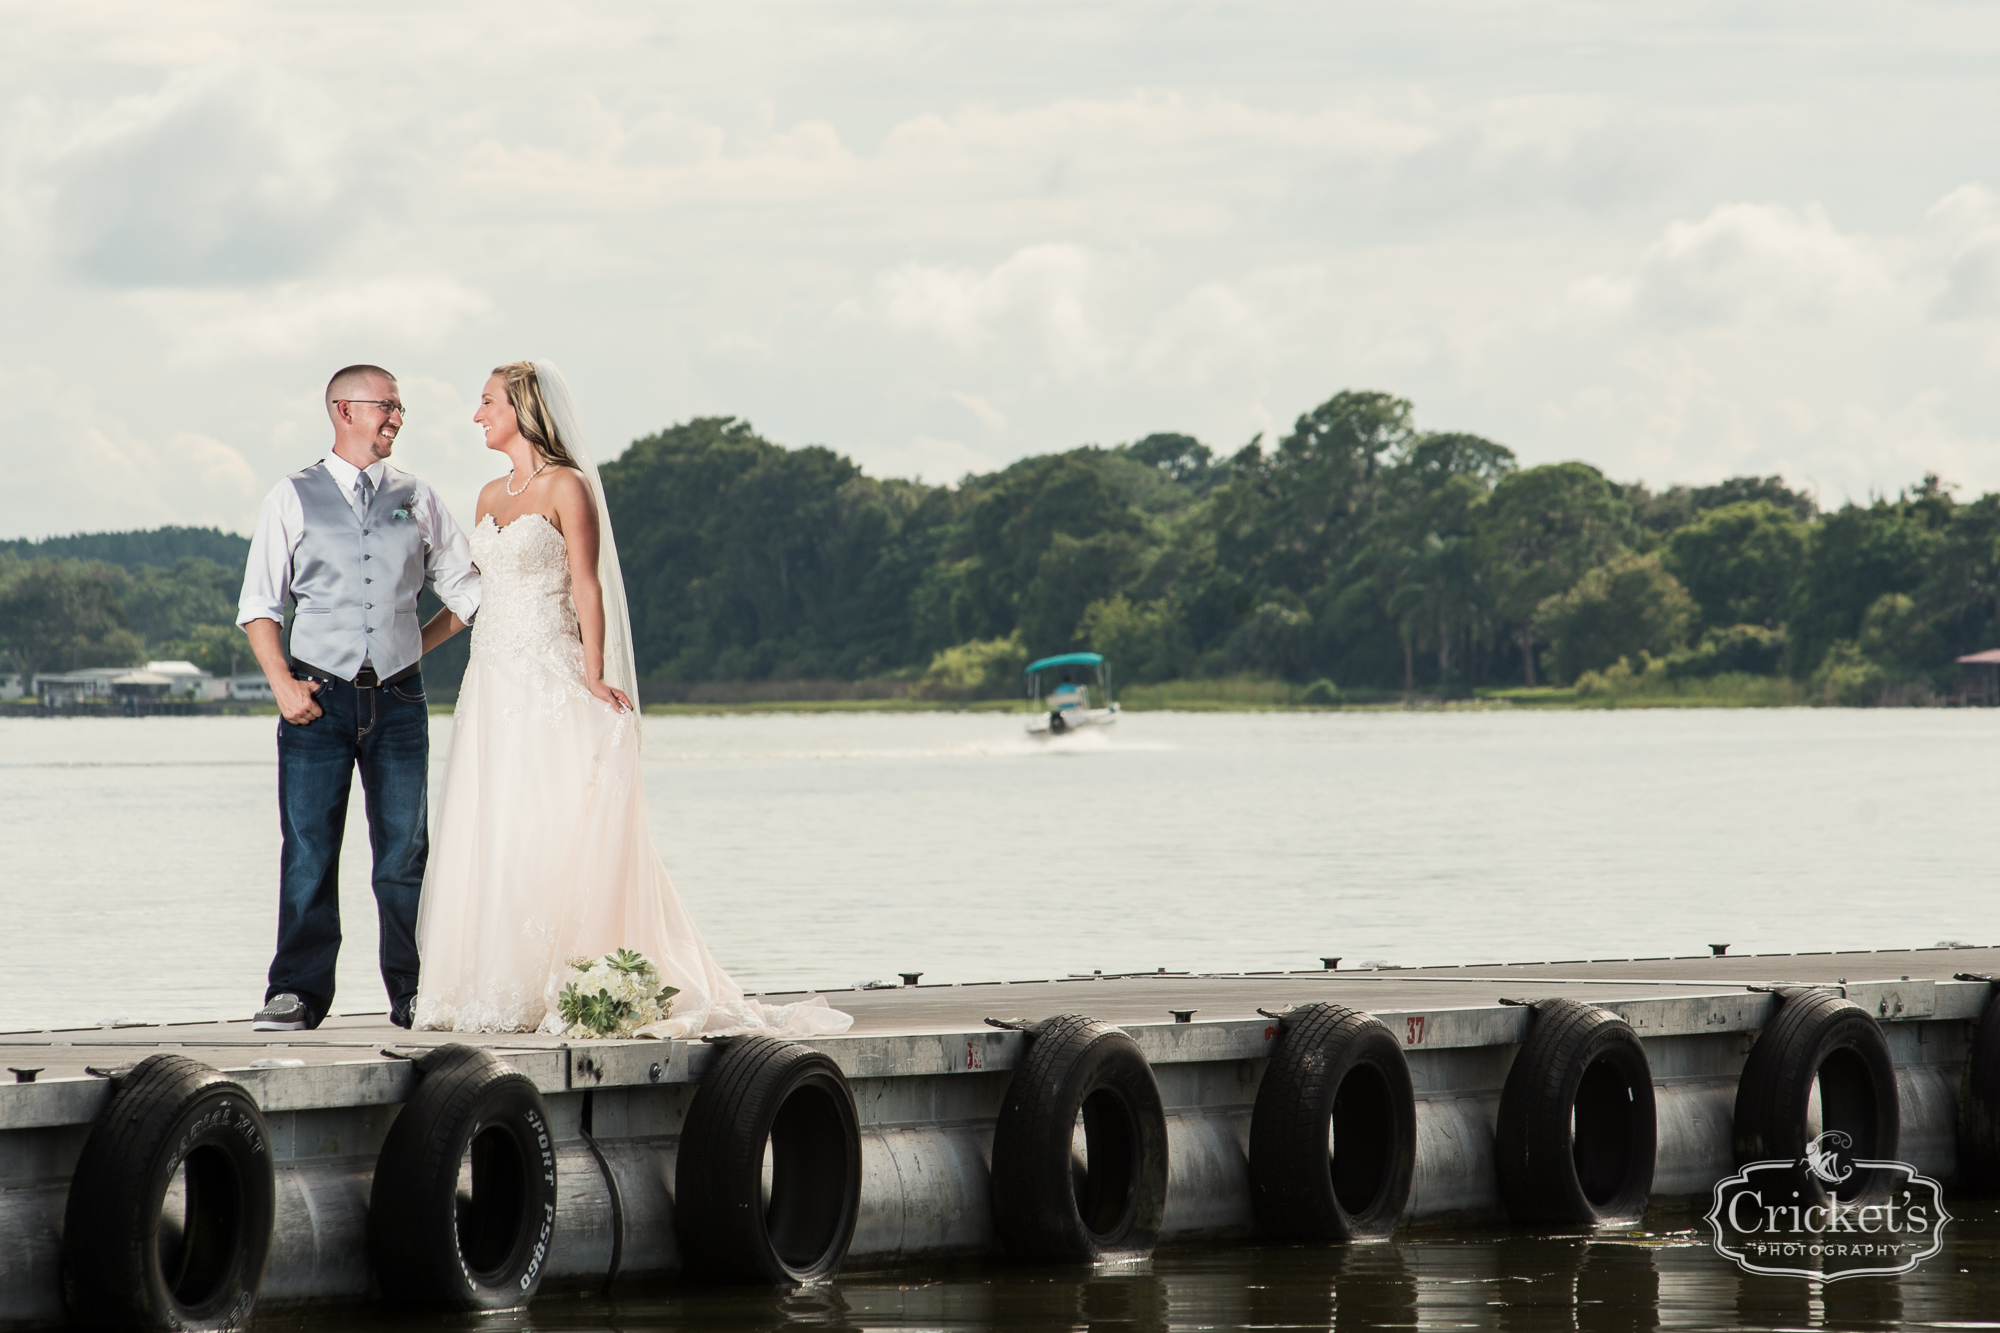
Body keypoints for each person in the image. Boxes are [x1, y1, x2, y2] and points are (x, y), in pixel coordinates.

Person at [412, 361, 849, 1038]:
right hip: (491, 687)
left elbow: (586, 585)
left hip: (550, 677)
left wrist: (593, 672)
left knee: (557, 825)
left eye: (487, 402)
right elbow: (472, 599)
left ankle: (568, 978)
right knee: (498, 828)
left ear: (524, 408)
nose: (477, 414)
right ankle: (495, 985)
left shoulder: (567, 486)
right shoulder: (487, 496)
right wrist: (409, 647)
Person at [237, 365, 482, 1031]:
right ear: (345, 410)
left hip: (399, 702)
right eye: (388, 406)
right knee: (310, 849)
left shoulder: (418, 496)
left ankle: (415, 993)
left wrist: (411, 649)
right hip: (316, 701)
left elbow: (467, 594)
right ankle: (296, 992)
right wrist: (283, 686)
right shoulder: (291, 497)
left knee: (405, 853)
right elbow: (260, 605)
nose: (398, 418)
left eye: (400, 408)